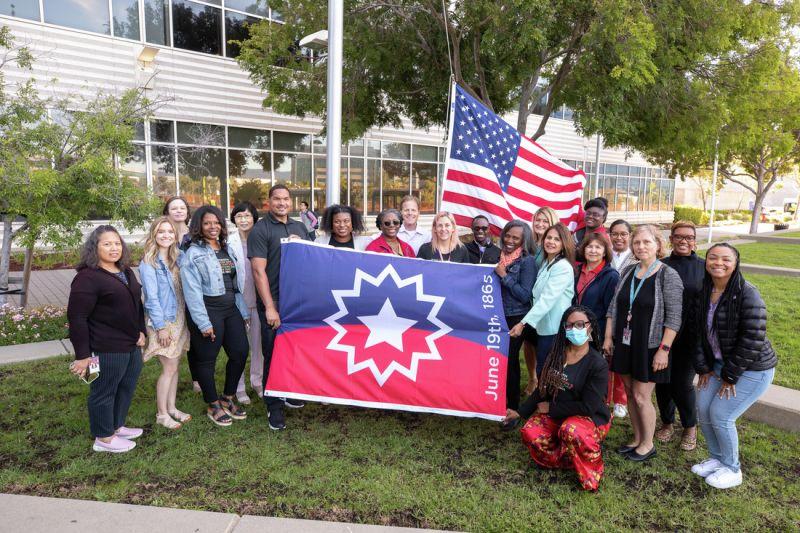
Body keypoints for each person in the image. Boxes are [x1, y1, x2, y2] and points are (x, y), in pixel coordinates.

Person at [691, 243, 777, 489]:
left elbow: (753, 338)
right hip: (717, 366)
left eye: (725, 259)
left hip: (751, 369)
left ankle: (732, 468)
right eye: (713, 258)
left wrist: (730, 375)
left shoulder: (747, 293)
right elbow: (696, 333)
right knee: (704, 408)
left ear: (736, 262)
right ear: (706, 261)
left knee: (721, 414)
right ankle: (717, 459)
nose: (718, 263)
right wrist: (703, 367)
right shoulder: (703, 290)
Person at [504, 306, 611, 491]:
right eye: (568, 326)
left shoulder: (597, 364)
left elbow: (588, 407)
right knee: (531, 431)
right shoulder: (557, 354)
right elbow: (543, 389)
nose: (573, 329)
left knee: (570, 430)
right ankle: (566, 460)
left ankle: (591, 472)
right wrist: (519, 412)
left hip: (588, 418)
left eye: (579, 325)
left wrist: (551, 409)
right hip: (559, 413)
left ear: (590, 327)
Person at [603, 224, 683, 462]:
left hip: (650, 345)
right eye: (637, 242)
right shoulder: (628, 270)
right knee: (629, 392)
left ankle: (648, 444)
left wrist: (664, 350)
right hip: (625, 341)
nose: (641, 246)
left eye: (647, 242)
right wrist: (608, 337)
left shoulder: (667, 275)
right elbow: (614, 307)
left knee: (640, 395)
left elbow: (674, 318)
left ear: (658, 245)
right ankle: (637, 438)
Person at [67, 226, 146, 453]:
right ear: (95, 248)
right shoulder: (87, 278)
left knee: (126, 387)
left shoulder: (125, 271)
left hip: (130, 344)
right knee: (103, 391)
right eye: (107, 244)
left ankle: (116, 426)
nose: (114, 248)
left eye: (117, 243)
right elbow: (77, 318)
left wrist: (142, 332)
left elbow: (136, 305)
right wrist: (82, 356)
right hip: (104, 348)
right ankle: (104, 438)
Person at [248, 184, 311, 431]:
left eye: (286, 199)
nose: (282, 203)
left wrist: (300, 246)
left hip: (298, 303)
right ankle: (273, 405)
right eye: (277, 199)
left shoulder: (299, 227)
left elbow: (310, 262)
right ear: (269, 202)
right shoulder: (260, 229)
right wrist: (270, 308)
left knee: (294, 351)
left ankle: (289, 392)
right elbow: (258, 271)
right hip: (274, 303)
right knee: (273, 355)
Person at [181, 205, 250, 427]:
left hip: (231, 310)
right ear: (199, 226)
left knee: (240, 352)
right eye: (208, 223)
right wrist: (203, 322)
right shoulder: (193, 253)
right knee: (207, 360)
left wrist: (243, 311)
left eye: (217, 222)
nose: (213, 227)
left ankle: (227, 397)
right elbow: (191, 292)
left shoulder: (225, 248)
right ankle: (212, 403)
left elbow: (234, 284)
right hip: (208, 311)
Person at [655, 221, 705, 451]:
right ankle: (667, 422)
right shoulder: (660, 265)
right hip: (662, 334)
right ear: (671, 239)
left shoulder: (704, 267)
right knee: (662, 382)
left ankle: (689, 426)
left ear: (695, 240)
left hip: (690, 337)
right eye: (679, 237)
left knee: (682, 383)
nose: (684, 241)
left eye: (689, 237)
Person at [139, 217, 191, 430]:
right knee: (168, 368)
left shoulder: (178, 257)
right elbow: (151, 298)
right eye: (161, 232)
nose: (166, 235)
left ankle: (172, 407)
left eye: (170, 231)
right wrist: (160, 327)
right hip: (163, 320)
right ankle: (162, 414)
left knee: (175, 366)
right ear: (154, 234)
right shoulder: (148, 263)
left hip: (179, 318)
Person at [510, 223, 576, 378]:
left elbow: (546, 300)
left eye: (557, 239)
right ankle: (543, 401)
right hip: (544, 327)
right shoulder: (547, 263)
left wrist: (522, 323)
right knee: (543, 371)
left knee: (548, 373)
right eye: (549, 237)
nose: (551, 242)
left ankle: (549, 402)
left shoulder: (562, 267)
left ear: (564, 243)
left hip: (554, 330)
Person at [573, 233, 622, 418]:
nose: (593, 250)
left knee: (595, 371)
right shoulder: (578, 270)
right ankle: (581, 406)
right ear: (583, 249)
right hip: (576, 330)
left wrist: (606, 337)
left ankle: (598, 412)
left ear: (605, 252)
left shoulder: (610, 276)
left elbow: (611, 309)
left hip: (597, 331)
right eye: (589, 246)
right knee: (579, 369)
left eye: (598, 247)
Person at [494, 220, 538, 430]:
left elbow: (524, 294)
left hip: (516, 317)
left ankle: (511, 410)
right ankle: (494, 402)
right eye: (508, 236)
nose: (510, 241)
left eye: (516, 238)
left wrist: (504, 277)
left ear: (524, 240)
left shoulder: (527, 261)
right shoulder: (498, 255)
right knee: (497, 361)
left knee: (510, 362)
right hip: (495, 314)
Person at [522, 206, 559, 395]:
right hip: (527, 300)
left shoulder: (553, 245)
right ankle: (533, 378)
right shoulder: (528, 242)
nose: (541, 224)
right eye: (538, 220)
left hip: (545, 303)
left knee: (544, 346)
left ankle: (546, 385)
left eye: (545, 221)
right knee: (528, 343)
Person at [228, 201, 262, 405]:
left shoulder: (261, 239)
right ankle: (239, 388)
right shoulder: (228, 242)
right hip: (237, 303)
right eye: (239, 216)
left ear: (254, 218)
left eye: (247, 216)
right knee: (239, 348)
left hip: (259, 301)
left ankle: (257, 382)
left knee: (258, 346)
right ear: (234, 219)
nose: (243, 220)